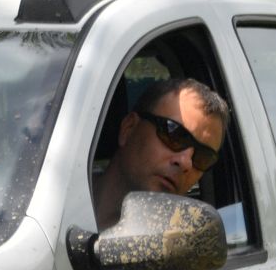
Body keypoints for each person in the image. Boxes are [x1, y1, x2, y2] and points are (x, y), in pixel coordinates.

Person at [92, 77, 230, 230]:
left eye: (204, 156)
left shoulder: (182, 246)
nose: (186, 162)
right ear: (129, 128)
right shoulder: (62, 197)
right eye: (175, 135)